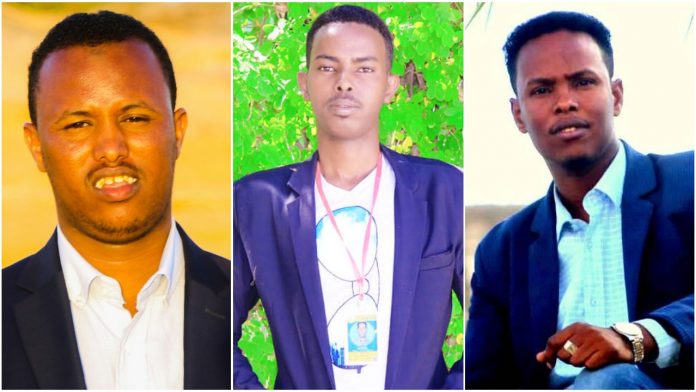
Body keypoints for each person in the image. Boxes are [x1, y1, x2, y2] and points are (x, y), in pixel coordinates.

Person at [234, 5, 463, 389]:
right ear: (304, 83)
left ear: (390, 86)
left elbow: (495, 320)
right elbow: (211, 324)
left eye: (364, 68)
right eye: (327, 67)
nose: (344, 82)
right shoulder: (257, 201)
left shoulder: (444, 192)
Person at [465, 11, 693, 389]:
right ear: (518, 115)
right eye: (542, 90)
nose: (565, 102)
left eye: (583, 82)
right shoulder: (502, 251)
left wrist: (636, 338)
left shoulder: (688, 183)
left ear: (616, 96)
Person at [2, 11, 230, 389]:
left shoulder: (250, 302)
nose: (111, 149)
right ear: (37, 147)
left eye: (136, 118)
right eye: (78, 124)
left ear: (178, 132)